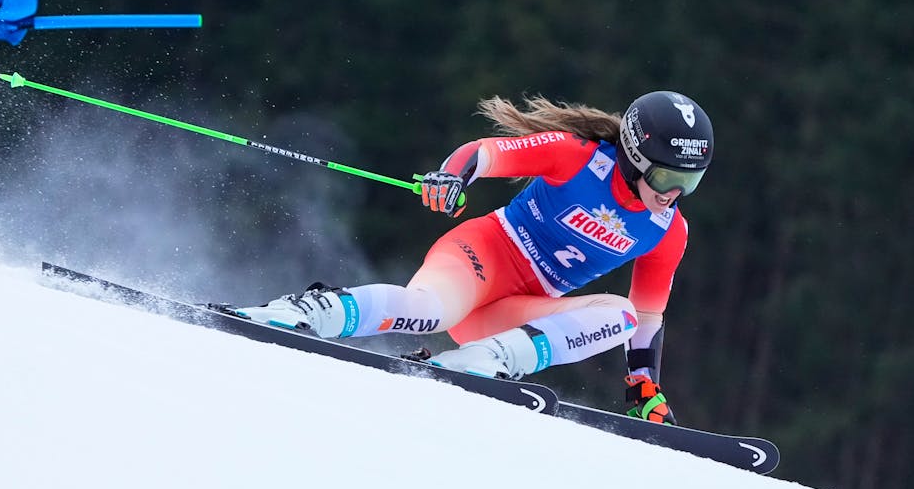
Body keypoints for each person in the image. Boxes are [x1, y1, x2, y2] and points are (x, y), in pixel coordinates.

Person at [242, 90, 713, 424]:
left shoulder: (667, 231)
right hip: (483, 255)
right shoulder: (578, 157)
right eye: (668, 177)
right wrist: (452, 178)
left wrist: (643, 385)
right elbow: (485, 153)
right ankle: (304, 313)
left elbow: (649, 316)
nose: (674, 194)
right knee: (427, 310)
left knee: (623, 316)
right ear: (633, 157)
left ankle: (485, 361)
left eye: (690, 182)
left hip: (518, 309)